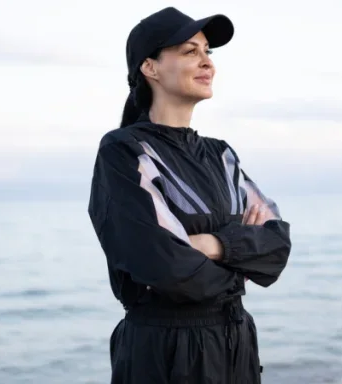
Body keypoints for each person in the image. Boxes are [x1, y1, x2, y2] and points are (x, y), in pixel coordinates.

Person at [87, 7, 292, 384]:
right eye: (189, 51)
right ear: (150, 67)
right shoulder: (125, 151)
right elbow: (160, 265)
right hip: (166, 352)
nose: (207, 62)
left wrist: (212, 244)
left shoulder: (221, 155)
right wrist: (242, 263)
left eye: (207, 52)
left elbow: (277, 245)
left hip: (236, 345)